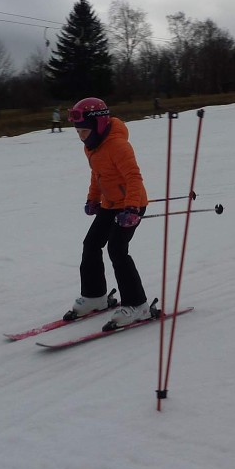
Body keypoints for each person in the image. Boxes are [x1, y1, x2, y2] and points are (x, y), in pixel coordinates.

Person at [66, 97, 150, 328]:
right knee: (91, 244)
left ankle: (137, 304)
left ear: (99, 124)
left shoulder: (118, 145)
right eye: (78, 132)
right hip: (109, 203)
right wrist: (93, 198)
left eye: (84, 131)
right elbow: (98, 175)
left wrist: (132, 208)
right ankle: (95, 297)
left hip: (131, 204)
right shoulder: (91, 147)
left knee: (117, 249)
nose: (81, 136)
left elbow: (134, 177)